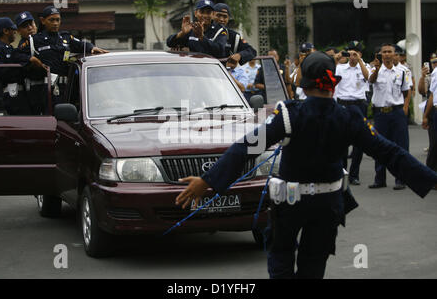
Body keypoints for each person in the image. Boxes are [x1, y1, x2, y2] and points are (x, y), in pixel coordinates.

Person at [174, 51, 437, 279]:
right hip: (327, 206)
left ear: (302, 79)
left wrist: (207, 181)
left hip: (289, 206)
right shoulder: (349, 117)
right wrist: (429, 178)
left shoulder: (289, 114)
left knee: (281, 261)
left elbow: (247, 147)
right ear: (332, 81)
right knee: (313, 266)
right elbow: (390, 152)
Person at [32, 6, 107, 104]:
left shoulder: (65, 37)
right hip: (47, 88)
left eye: (57, 20)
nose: (55, 23)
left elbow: (81, 44)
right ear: (43, 21)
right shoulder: (36, 40)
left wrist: (91, 47)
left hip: (66, 86)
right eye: (51, 20)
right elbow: (20, 54)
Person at [368, 43, 411, 190]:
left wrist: (405, 107)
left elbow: (406, 91)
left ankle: (401, 179)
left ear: (394, 54)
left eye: (389, 52)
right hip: (380, 113)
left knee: (401, 146)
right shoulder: (374, 70)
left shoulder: (402, 71)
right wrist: (377, 69)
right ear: (380, 54)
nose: (386, 54)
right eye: (384, 52)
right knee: (379, 146)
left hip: (396, 112)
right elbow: (371, 81)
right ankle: (380, 179)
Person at [334, 41, 370, 185]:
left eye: (356, 52)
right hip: (343, 105)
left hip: (359, 105)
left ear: (360, 54)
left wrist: (360, 60)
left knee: (359, 142)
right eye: (350, 52)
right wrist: (336, 59)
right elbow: (329, 73)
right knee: (342, 141)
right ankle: (343, 173)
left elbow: (369, 78)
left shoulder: (365, 67)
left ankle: (354, 175)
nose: (353, 55)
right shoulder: (341, 68)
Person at [0, 17, 31, 115]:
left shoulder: (10, 48)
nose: (15, 32)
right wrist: (17, 70)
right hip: (12, 94)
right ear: (5, 31)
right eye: (13, 30)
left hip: (20, 93)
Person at [14, 11, 47, 115]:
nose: (29, 28)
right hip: (35, 88)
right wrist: (34, 60)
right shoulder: (24, 45)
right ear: (19, 31)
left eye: (31, 24)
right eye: (25, 26)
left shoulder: (43, 38)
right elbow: (16, 56)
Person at [420, 54, 437, 171]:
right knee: (434, 146)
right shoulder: (433, 74)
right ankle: (430, 175)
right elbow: (427, 93)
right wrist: (425, 116)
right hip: (434, 110)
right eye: (433, 62)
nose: (435, 64)